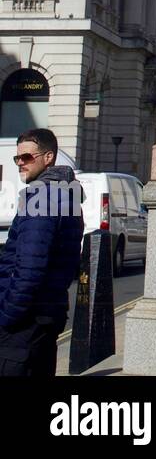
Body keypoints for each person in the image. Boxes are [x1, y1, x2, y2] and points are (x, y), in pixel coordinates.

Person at [0, 128, 83, 376]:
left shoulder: (43, 197)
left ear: (48, 157)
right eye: (17, 158)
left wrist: (6, 315)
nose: (20, 164)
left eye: (27, 157)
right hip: (47, 314)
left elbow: (29, 269)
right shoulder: (67, 194)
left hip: (26, 323)